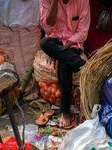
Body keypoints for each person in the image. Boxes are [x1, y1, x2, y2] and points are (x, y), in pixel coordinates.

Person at [38, 0, 90, 129]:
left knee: (64, 64)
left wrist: (67, 45)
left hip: (72, 43)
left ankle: (64, 111)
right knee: (44, 43)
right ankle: (82, 65)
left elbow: (83, 32)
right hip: (54, 42)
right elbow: (47, 27)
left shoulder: (82, 1)